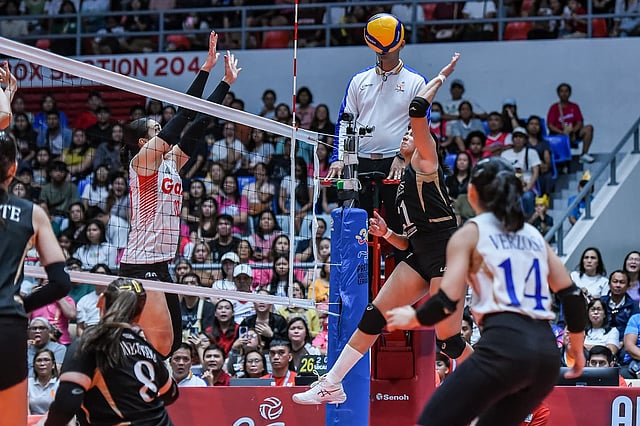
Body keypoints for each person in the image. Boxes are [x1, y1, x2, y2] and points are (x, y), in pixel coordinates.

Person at [293, 53, 468, 405]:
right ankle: (332, 383)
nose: (407, 136)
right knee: (374, 314)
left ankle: (498, 388)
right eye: (406, 134)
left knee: (448, 341)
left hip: (448, 253)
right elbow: (408, 242)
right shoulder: (401, 182)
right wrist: (388, 234)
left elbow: (417, 110)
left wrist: (440, 77)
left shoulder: (426, 160)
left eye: (411, 134)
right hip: (421, 254)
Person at [384, 156, 588, 426]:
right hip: (546, 356)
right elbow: (573, 298)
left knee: (432, 420)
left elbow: (447, 300)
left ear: (472, 193)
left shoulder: (470, 233)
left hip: (506, 346)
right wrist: (576, 351)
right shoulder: (533, 235)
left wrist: (415, 318)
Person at [119, 31, 241, 357]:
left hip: (161, 263)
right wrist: (205, 69)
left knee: (173, 344)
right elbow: (182, 116)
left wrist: (225, 83)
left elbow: (198, 123)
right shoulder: (141, 163)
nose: (163, 131)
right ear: (144, 142)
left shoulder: (171, 161)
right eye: (156, 130)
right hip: (140, 264)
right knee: (160, 346)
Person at [0, 61, 71, 426]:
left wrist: (6, 97)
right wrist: (22, 305)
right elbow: (61, 283)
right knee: (10, 418)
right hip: (8, 325)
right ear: (14, 169)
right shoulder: (32, 213)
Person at [327, 13, 427, 240]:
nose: (384, 51)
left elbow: (419, 127)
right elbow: (345, 122)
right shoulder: (358, 80)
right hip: (358, 162)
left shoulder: (416, 81)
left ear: (402, 44)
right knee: (356, 230)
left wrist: (402, 157)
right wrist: (339, 158)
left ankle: (401, 263)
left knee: (400, 228)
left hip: (396, 163)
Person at [42, 278, 179, 425]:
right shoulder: (146, 349)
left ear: (101, 301)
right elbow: (171, 394)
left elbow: (66, 404)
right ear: (139, 315)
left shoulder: (90, 342)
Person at [546, 82, 595, 164]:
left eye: (566, 91)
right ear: (558, 94)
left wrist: (572, 131)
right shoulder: (554, 108)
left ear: (570, 93)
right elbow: (550, 125)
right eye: (562, 91)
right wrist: (562, 132)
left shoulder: (574, 106)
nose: (564, 93)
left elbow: (579, 122)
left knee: (589, 128)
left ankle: (584, 154)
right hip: (559, 135)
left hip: (573, 134)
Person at [28, 348, 59, 415]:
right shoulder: (28, 384)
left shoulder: (60, 384)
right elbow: (25, 409)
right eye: (39, 360)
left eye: (46, 360)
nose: (42, 363)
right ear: (34, 365)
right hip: (32, 420)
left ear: (53, 365)